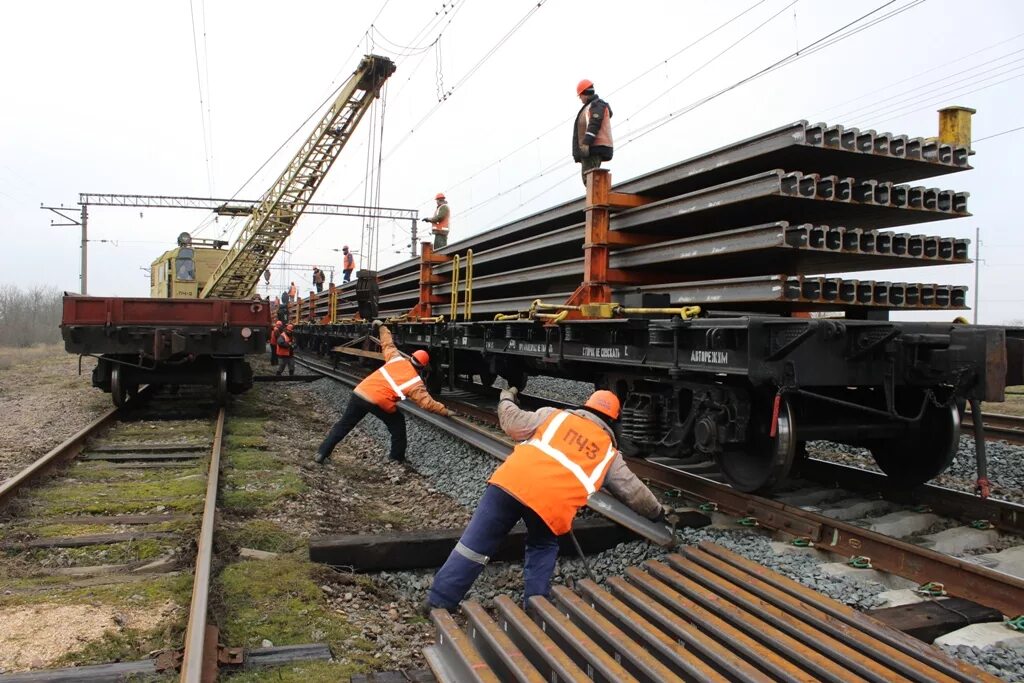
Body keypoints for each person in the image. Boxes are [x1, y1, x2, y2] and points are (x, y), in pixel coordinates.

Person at [424, 387, 666, 613]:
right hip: (550, 505)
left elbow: (512, 423)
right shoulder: (608, 454)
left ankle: (439, 602)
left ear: (585, 406)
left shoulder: (554, 417)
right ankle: (534, 606)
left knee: (475, 544)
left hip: (509, 484)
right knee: (542, 546)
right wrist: (657, 513)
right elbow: (634, 492)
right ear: (613, 421)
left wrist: (506, 398)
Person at [315, 321, 449, 464]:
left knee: (344, 424)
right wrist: (445, 411)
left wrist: (382, 327)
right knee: (398, 423)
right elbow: (427, 403)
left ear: (411, 357)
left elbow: (387, 343)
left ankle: (322, 452)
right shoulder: (415, 382)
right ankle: (396, 457)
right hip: (378, 402)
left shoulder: (395, 358)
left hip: (360, 392)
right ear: (423, 367)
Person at [571, 79, 614, 187]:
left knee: (591, 179)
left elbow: (594, 124)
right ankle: (594, 197)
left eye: (580, 96)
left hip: (593, 149)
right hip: (590, 150)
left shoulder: (596, 105)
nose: (580, 99)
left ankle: (596, 199)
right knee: (590, 179)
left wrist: (586, 143)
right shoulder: (590, 106)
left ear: (584, 93)